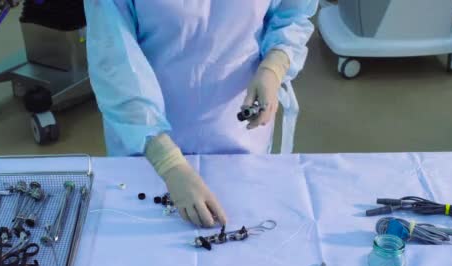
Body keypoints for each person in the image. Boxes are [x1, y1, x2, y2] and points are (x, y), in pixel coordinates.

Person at [85, 0, 317, 228]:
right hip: (146, 145)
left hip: (240, 138)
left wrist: (274, 66)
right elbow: (114, 63)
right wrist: (168, 162)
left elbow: (292, 13)